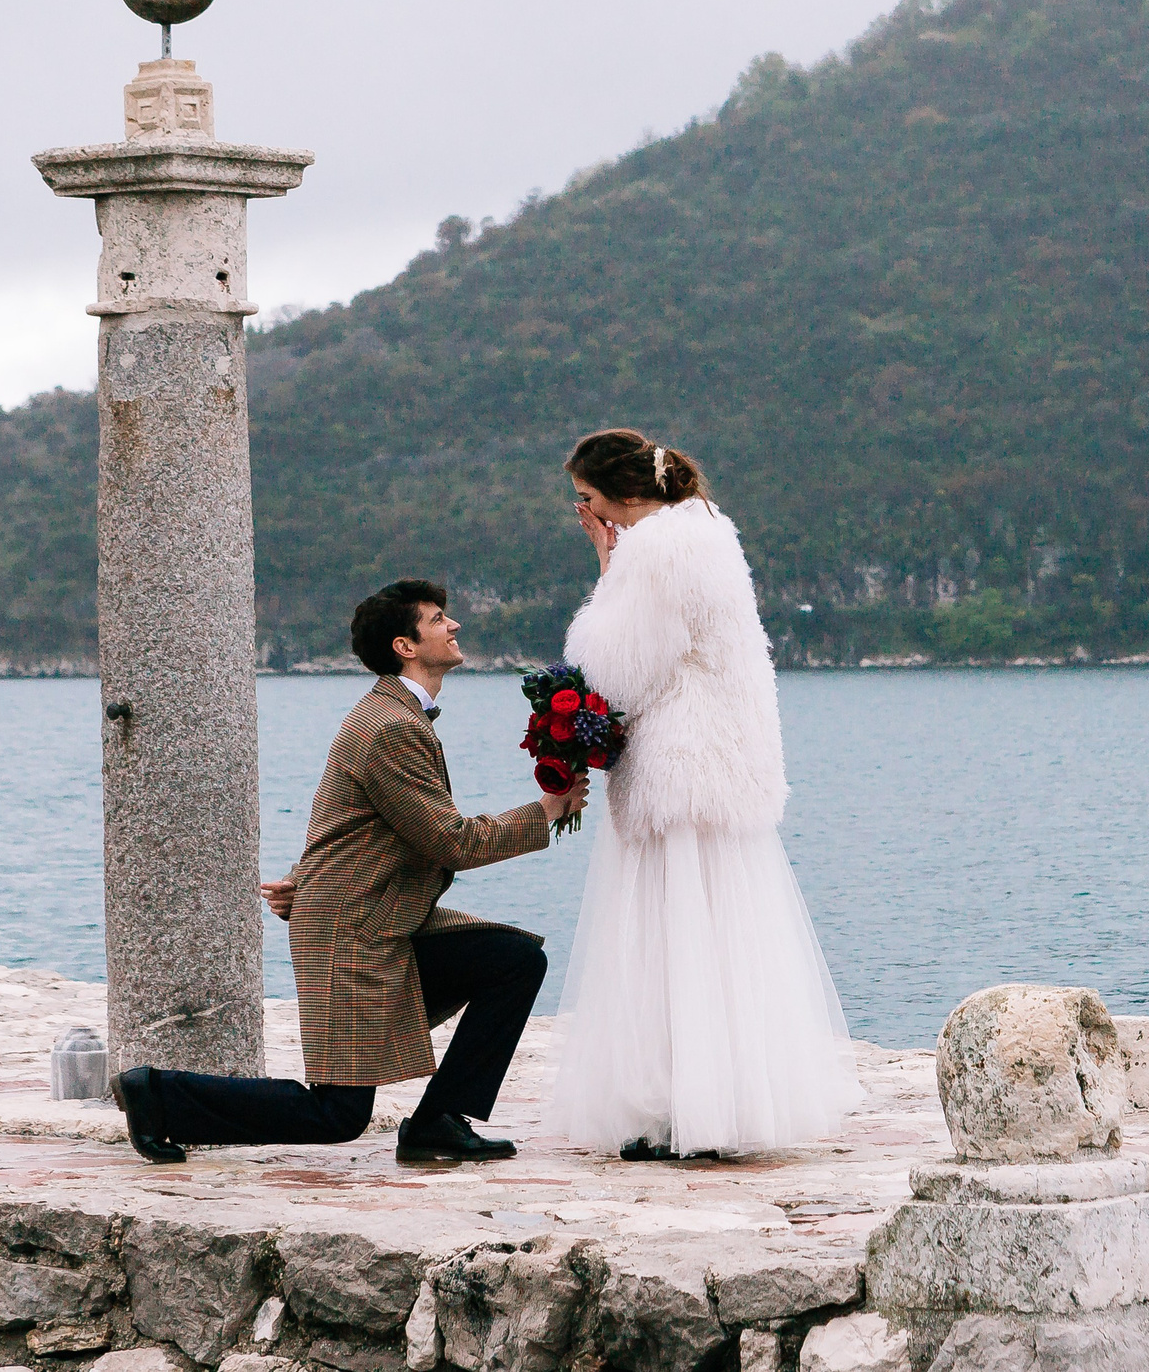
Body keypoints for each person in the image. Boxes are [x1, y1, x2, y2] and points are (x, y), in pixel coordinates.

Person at [110, 579, 584, 1164]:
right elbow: (449, 840)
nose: (453, 626)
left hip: (380, 918)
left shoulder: (396, 715)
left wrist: (302, 882)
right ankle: (158, 1095)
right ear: (405, 645)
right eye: (439, 619)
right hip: (353, 933)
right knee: (337, 1115)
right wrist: (545, 811)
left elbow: (346, 823)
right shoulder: (391, 726)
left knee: (513, 961)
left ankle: (439, 1118)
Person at [546, 429, 861, 1157]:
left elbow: (620, 667)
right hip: (724, 760)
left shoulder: (653, 547)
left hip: (679, 764)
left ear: (626, 495)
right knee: (724, 936)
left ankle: (678, 1112)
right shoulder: (709, 529)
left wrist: (605, 570)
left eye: (589, 501)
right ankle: (722, 1105)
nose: (588, 514)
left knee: (671, 934)